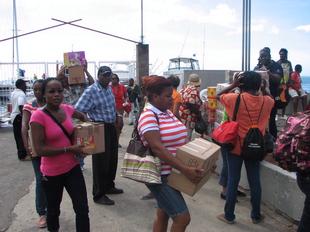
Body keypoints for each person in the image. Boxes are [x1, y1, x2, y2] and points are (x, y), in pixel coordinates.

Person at [138, 75, 204, 232]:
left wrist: (202, 161)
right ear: (154, 96)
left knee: (163, 213)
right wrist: (184, 169)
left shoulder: (166, 112)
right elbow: (157, 148)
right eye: (168, 96)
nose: (172, 99)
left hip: (171, 173)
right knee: (182, 218)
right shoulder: (148, 116)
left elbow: (179, 140)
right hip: (159, 175)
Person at [30, 78, 90, 232]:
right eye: (51, 91)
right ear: (44, 95)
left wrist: (88, 131)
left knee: (82, 208)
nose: (57, 94)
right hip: (51, 173)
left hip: (72, 168)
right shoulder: (38, 116)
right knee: (53, 211)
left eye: (60, 91)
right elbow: (40, 149)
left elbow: (82, 116)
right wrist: (70, 149)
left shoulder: (67, 109)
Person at [216, 71, 274, 224]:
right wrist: (265, 88)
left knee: (233, 179)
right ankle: (256, 215)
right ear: (259, 85)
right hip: (256, 147)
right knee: (255, 181)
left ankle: (229, 215)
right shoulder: (267, 102)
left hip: (235, 146)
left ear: (241, 84)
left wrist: (234, 85)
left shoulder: (234, 99)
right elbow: (271, 98)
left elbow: (217, 96)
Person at [75, 66, 123, 206]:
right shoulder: (91, 91)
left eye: (109, 75)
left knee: (112, 159)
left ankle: (109, 186)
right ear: (98, 76)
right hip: (98, 127)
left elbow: (111, 107)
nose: (108, 78)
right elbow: (78, 110)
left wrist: (118, 115)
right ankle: (99, 194)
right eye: (105, 75)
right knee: (100, 162)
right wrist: (88, 122)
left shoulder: (108, 89)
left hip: (110, 127)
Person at [57, 61, 94, 171]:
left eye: (65, 78)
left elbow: (92, 84)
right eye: (61, 79)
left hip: (80, 120)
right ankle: (74, 164)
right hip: (66, 122)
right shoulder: (58, 92)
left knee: (85, 145)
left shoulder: (78, 86)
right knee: (69, 144)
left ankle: (80, 163)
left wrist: (85, 70)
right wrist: (60, 72)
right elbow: (50, 84)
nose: (64, 80)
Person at [21, 79, 47, 228]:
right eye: (35, 89)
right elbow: (24, 126)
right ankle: (42, 213)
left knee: (51, 180)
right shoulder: (30, 105)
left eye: (40, 89)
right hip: (36, 149)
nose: (37, 92)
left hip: (50, 148)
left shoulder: (51, 105)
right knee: (40, 179)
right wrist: (27, 146)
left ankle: (51, 210)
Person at [254, 48, 283, 138]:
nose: (262, 58)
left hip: (271, 97)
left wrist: (268, 73)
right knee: (258, 119)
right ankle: (259, 137)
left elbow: (278, 79)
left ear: (269, 56)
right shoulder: (257, 67)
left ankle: (273, 139)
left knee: (271, 119)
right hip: (258, 97)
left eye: (264, 56)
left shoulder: (276, 66)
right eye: (261, 56)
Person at [179, 73, 203, 140]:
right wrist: (199, 115)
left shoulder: (184, 89)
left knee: (182, 137)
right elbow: (189, 103)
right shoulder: (194, 91)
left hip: (181, 116)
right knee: (186, 138)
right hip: (188, 118)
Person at [11, 78, 29, 160]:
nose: (26, 86)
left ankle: (21, 154)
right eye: (24, 85)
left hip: (14, 116)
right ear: (21, 85)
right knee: (22, 136)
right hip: (19, 116)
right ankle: (23, 154)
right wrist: (24, 117)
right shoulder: (21, 94)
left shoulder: (14, 93)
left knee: (17, 136)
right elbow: (21, 105)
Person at [111, 73, 128, 147]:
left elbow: (126, 96)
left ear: (117, 79)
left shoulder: (122, 87)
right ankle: (113, 142)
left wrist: (126, 102)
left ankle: (116, 141)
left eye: (115, 78)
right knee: (113, 126)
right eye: (112, 78)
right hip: (111, 108)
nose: (113, 80)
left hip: (120, 108)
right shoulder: (108, 87)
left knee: (120, 125)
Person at [277, 48, 293, 117]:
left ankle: (283, 114)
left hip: (286, 84)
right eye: (280, 54)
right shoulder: (277, 63)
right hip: (279, 84)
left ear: (286, 55)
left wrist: (289, 81)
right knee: (277, 98)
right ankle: (276, 114)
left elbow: (290, 72)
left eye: (283, 54)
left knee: (285, 98)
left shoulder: (288, 63)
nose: (281, 55)